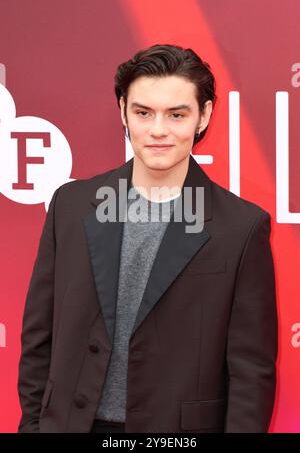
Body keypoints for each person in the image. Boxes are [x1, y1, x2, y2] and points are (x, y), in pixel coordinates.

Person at [17, 44, 278, 433]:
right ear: (123, 110)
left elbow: (250, 372)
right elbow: (39, 336)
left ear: (203, 116)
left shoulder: (241, 227)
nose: (158, 130)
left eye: (176, 114)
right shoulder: (70, 207)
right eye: (143, 113)